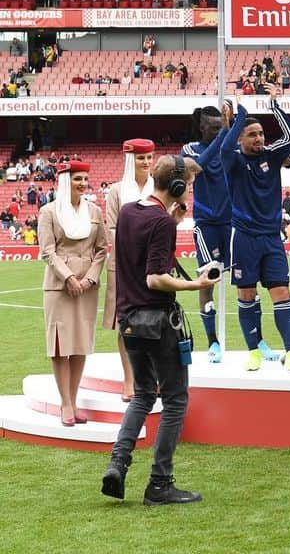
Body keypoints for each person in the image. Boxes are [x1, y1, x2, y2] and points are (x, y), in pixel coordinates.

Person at [101, 155, 218, 505]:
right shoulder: (162, 224)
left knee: (141, 395)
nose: (191, 192)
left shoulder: (129, 212)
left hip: (130, 321)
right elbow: (155, 278)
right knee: (175, 400)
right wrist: (196, 285)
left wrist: (171, 219)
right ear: (178, 187)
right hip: (158, 323)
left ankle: (118, 464)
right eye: (190, 186)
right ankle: (160, 483)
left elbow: (137, 262)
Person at [219, 86, 290, 371]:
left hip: (271, 239)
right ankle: (254, 350)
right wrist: (237, 119)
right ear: (241, 138)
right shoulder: (233, 159)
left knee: (281, 292)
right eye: (252, 134)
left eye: (261, 134)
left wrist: (275, 105)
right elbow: (223, 147)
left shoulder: (271, 156)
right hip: (244, 237)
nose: (259, 138)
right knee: (246, 295)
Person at [38, 161, 107, 426]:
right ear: (66, 181)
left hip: (87, 287)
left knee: (79, 345)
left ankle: (74, 400)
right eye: (77, 178)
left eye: (85, 178)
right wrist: (67, 277)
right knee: (59, 346)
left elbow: (102, 249)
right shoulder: (49, 212)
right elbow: (47, 251)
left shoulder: (94, 211)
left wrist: (90, 278)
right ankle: (65, 403)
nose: (82, 183)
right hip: (59, 286)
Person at [105, 139, 156, 401]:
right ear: (130, 160)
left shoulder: (158, 187)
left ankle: (150, 377)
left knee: (153, 321)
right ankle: (129, 380)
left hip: (153, 265)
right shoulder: (116, 191)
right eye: (140, 158)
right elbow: (111, 229)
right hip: (124, 265)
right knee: (125, 323)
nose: (146, 163)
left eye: (149, 158)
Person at [181, 106, 230, 363]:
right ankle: (213, 342)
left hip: (233, 222)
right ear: (202, 128)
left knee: (246, 280)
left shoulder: (228, 145)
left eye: (220, 126)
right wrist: (223, 136)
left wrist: (233, 122)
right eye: (213, 127)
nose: (218, 131)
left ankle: (257, 341)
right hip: (207, 222)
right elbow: (198, 166)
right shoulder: (190, 149)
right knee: (209, 278)